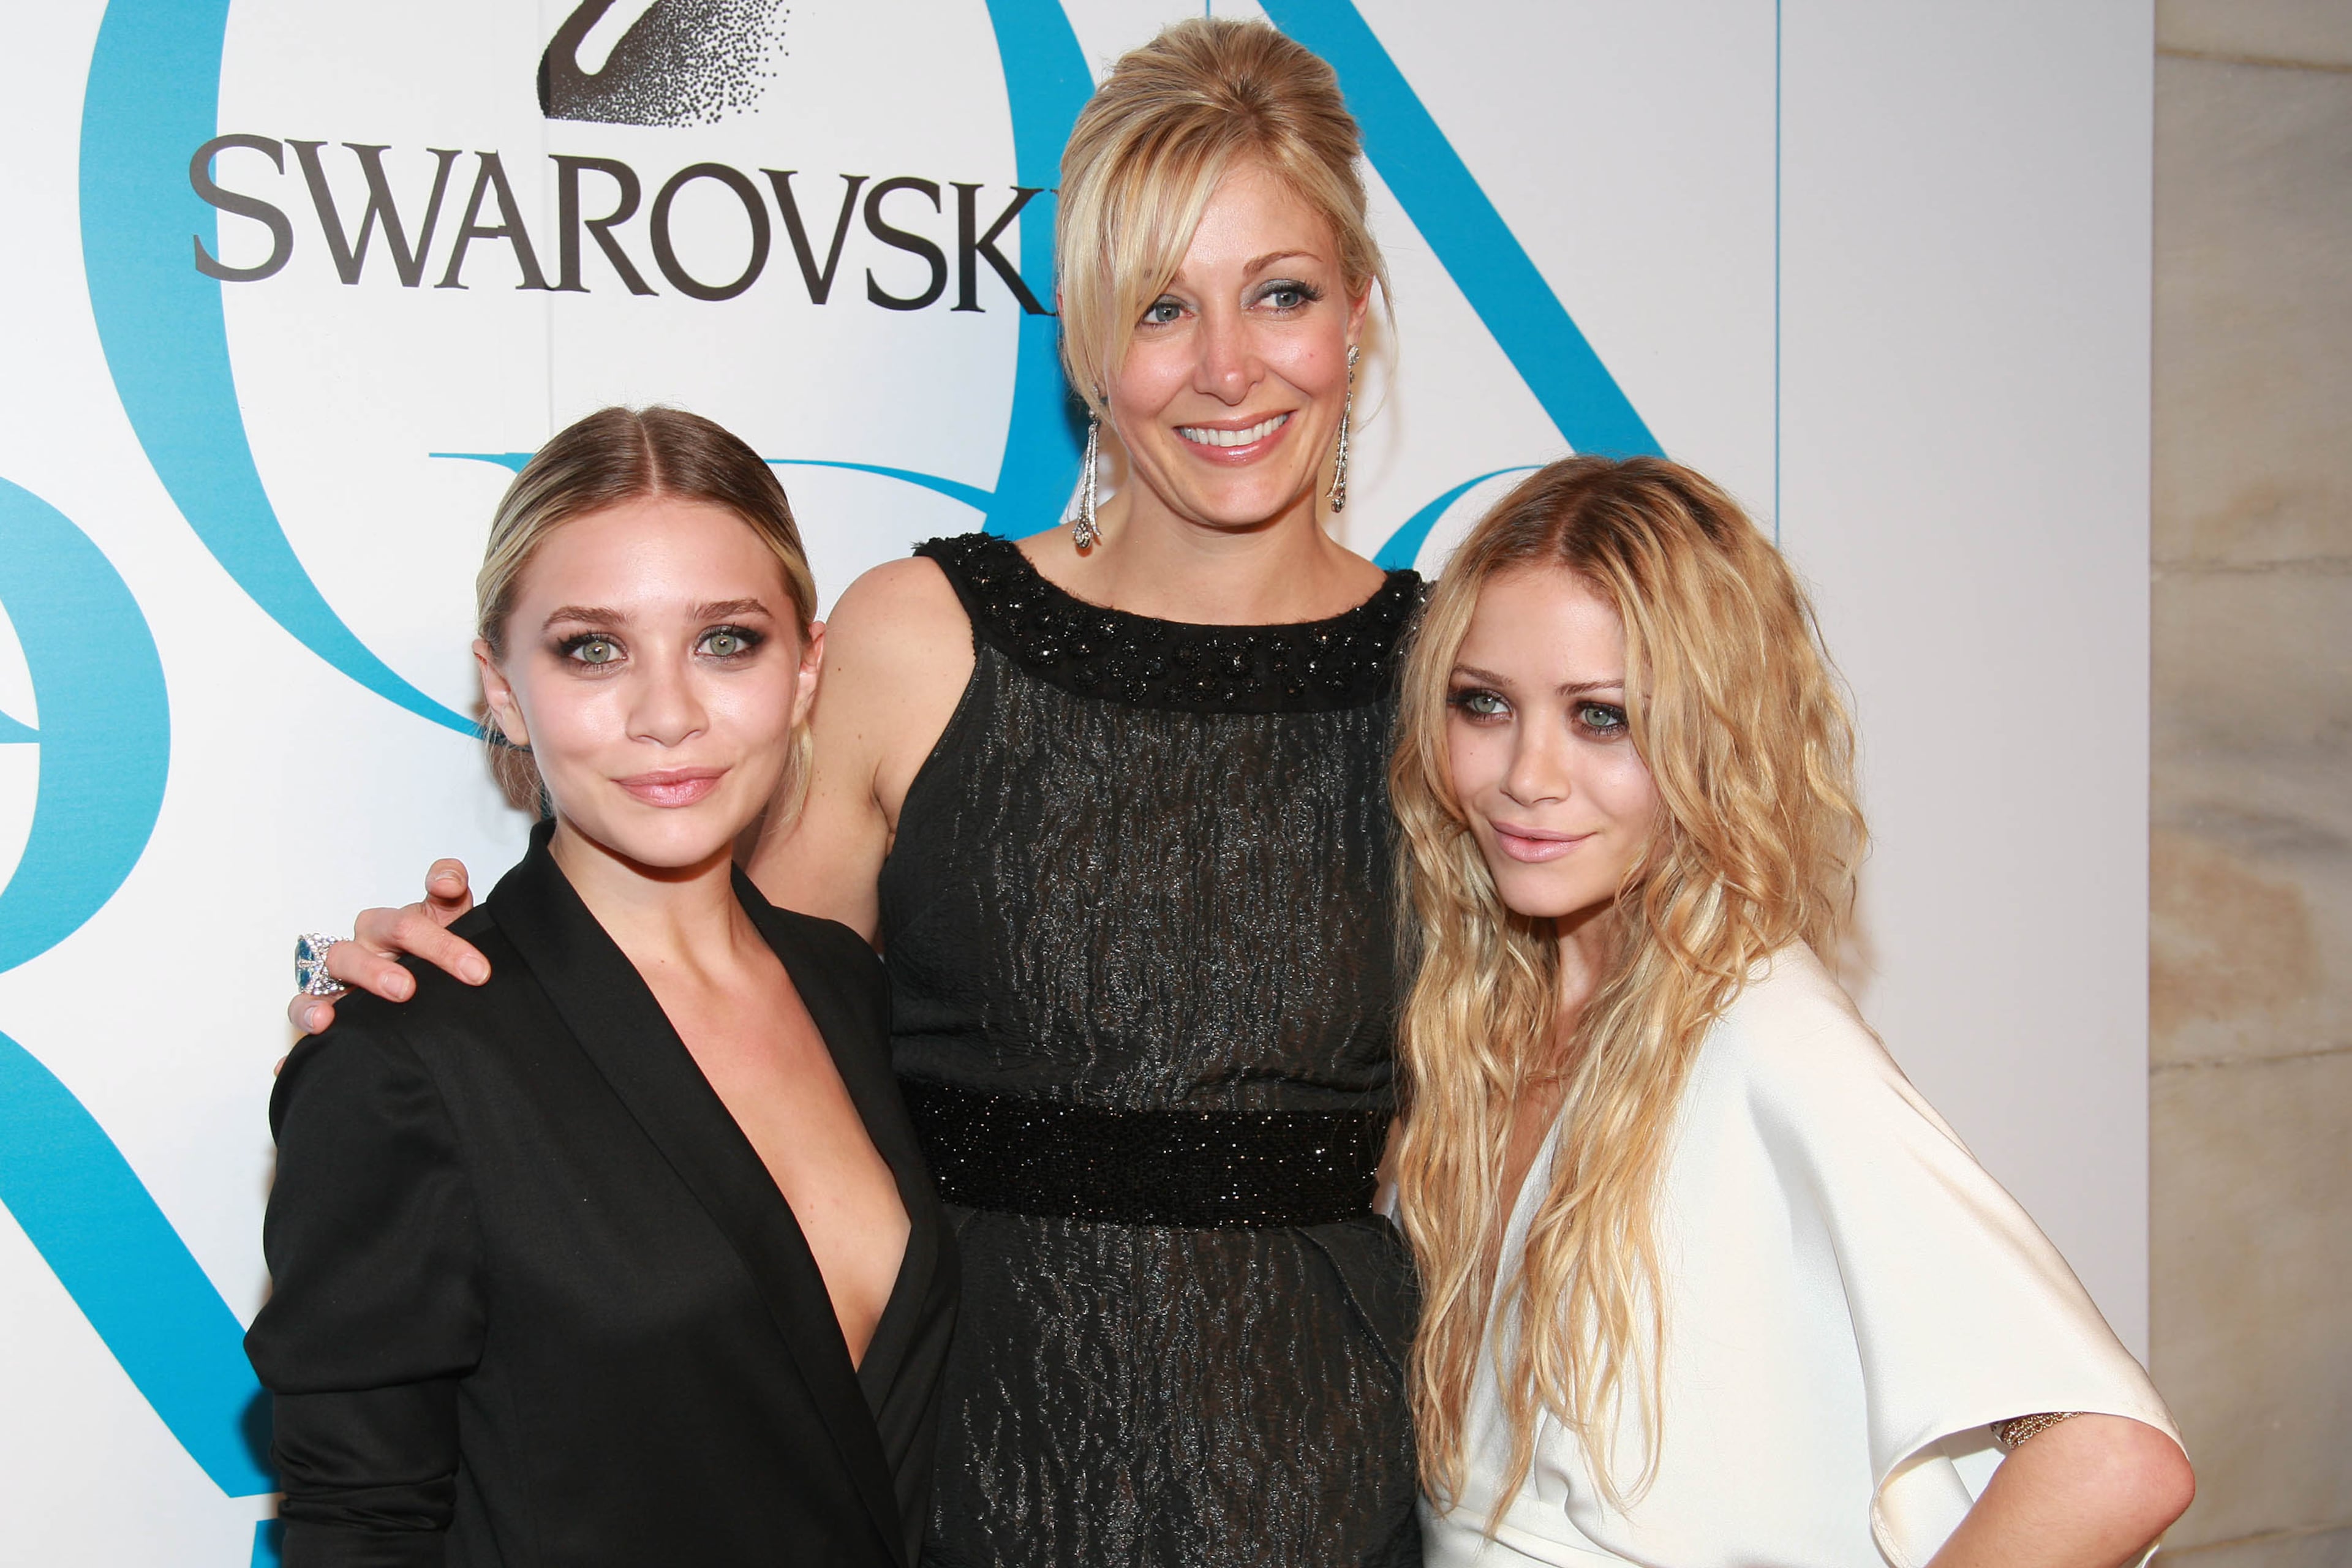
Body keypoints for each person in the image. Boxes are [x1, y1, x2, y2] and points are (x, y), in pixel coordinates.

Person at [282, 20, 1422, 1566]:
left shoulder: (1457, 682)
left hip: (1328, 1465)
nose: (1228, 365)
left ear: (1357, 310)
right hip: (969, 1481)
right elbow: (693, 1017)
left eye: (1281, 291)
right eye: (1162, 305)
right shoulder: (922, 636)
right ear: (1087, 342)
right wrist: (430, 1011)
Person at [1388, 456, 2194, 1566]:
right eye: (1484, 704)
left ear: (1714, 737)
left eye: (1603, 719)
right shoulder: (1494, 1026)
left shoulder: (1757, 1027)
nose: (1529, 774)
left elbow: (2112, 1458)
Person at [250, 407, 956, 1567]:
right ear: (503, 689)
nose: (668, 713)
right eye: (593, 648)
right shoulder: (406, 1060)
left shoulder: (855, 992)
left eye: (727, 640)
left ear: (808, 668)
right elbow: (361, 1527)